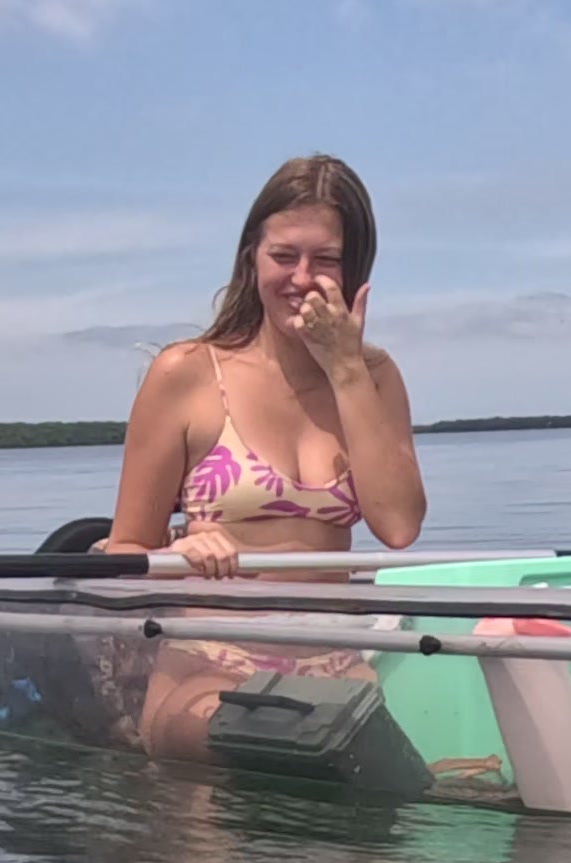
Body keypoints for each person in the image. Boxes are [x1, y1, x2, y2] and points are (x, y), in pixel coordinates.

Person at [105, 155, 424, 577]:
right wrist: (180, 551)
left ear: (354, 268)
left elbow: (400, 528)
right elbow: (124, 550)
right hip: (212, 637)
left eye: (326, 259)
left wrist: (345, 368)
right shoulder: (186, 372)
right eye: (284, 256)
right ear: (251, 258)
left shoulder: (375, 377)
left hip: (332, 637)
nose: (302, 277)